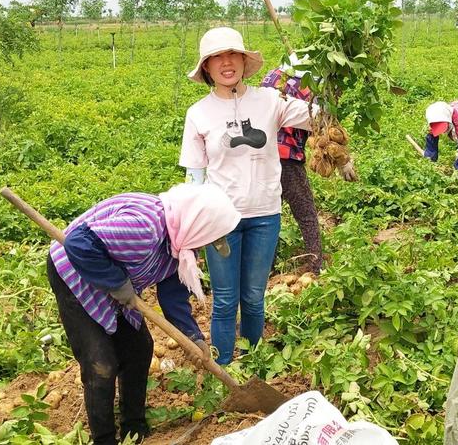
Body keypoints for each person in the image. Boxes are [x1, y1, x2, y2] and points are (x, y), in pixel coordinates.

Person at [47, 184, 240, 445]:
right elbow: (78, 243)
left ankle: (134, 428)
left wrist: (193, 338)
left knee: (139, 348)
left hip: (117, 280)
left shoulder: (179, 244)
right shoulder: (144, 229)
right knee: (101, 364)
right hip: (74, 272)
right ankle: (104, 439)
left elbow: (173, 297)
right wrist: (116, 282)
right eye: (209, 238)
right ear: (197, 224)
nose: (206, 246)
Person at [179, 27, 314, 365]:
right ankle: (225, 368)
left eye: (232, 55)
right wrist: (191, 230)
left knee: (254, 297)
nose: (227, 63)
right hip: (220, 222)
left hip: (265, 216)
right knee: (225, 300)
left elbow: (317, 117)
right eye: (217, 58)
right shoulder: (198, 114)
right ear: (207, 68)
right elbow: (194, 178)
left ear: (243, 60)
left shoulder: (269, 100)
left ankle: (252, 362)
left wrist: (324, 78)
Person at [259, 64, 324, 274]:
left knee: (269, 212)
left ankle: (265, 268)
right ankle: (316, 265)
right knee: (306, 213)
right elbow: (318, 121)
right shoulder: (308, 86)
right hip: (287, 157)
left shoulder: (271, 77)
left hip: (261, 154)